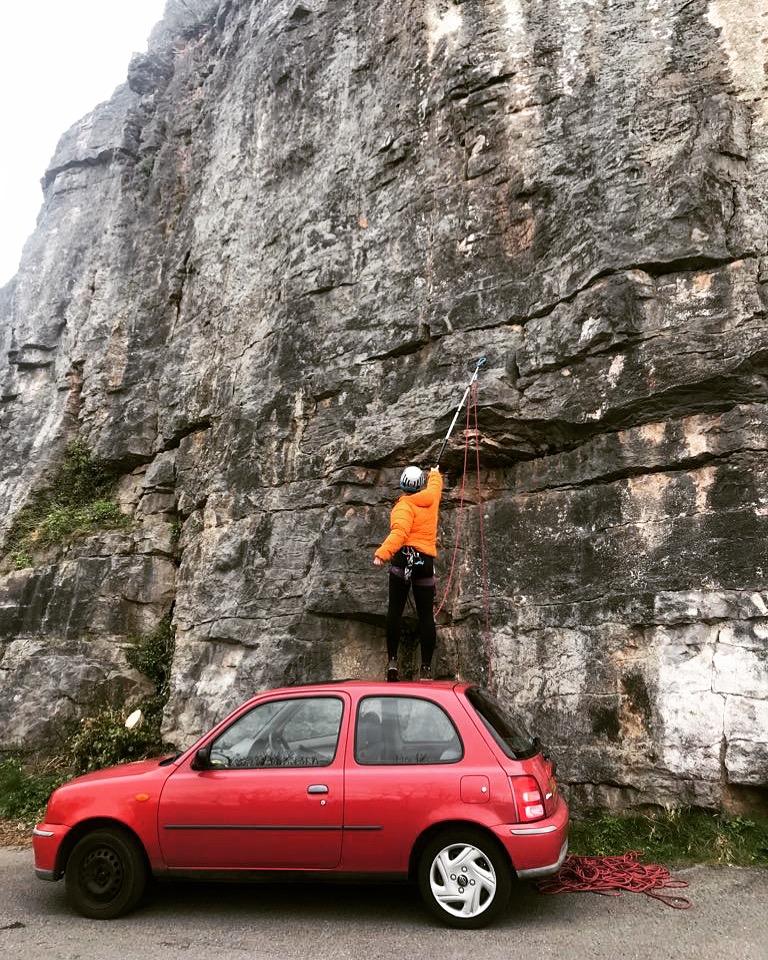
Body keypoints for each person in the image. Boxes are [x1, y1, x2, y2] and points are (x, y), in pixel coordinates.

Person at [373, 465, 443, 681]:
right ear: (421, 484)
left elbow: (400, 532)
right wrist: (434, 473)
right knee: (426, 617)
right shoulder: (431, 498)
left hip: (404, 560)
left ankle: (393, 662)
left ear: (402, 483)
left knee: (395, 611)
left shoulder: (404, 506)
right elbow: (435, 487)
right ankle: (426, 669)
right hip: (424, 562)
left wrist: (382, 554)